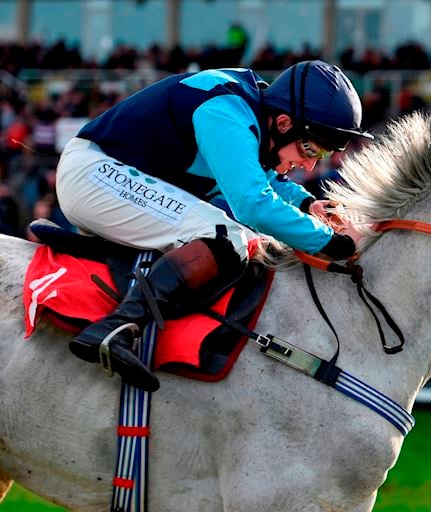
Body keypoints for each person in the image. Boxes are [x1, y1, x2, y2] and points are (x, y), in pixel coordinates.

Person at [54, 60, 373, 391]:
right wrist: (334, 244)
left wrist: (309, 204)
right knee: (225, 237)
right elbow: (253, 204)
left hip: (110, 177)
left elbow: (262, 177)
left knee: (229, 237)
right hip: (95, 175)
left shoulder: (250, 112)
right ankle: (116, 327)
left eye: (320, 155)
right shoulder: (227, 113)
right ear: (283, 122)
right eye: (310, 148)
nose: (309, 164)